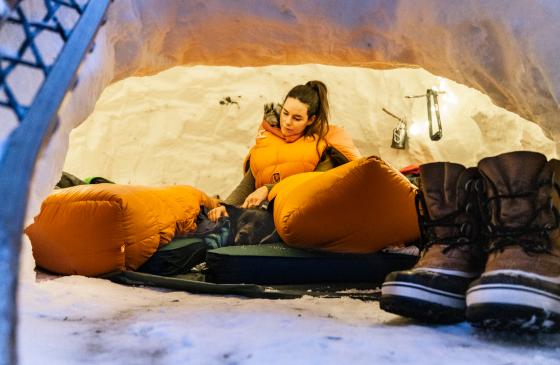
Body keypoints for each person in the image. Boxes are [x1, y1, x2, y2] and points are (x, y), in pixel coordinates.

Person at [208, 80, 360, 222]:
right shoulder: (267, 139)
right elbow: (247, 184)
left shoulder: (323, 145)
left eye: (297, 118)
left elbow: (312, 184)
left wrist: (268, 189)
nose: (287, 122)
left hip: (297, 218)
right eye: (285, 113)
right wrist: (225, 207)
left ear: (311, 120)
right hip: (260, 217)